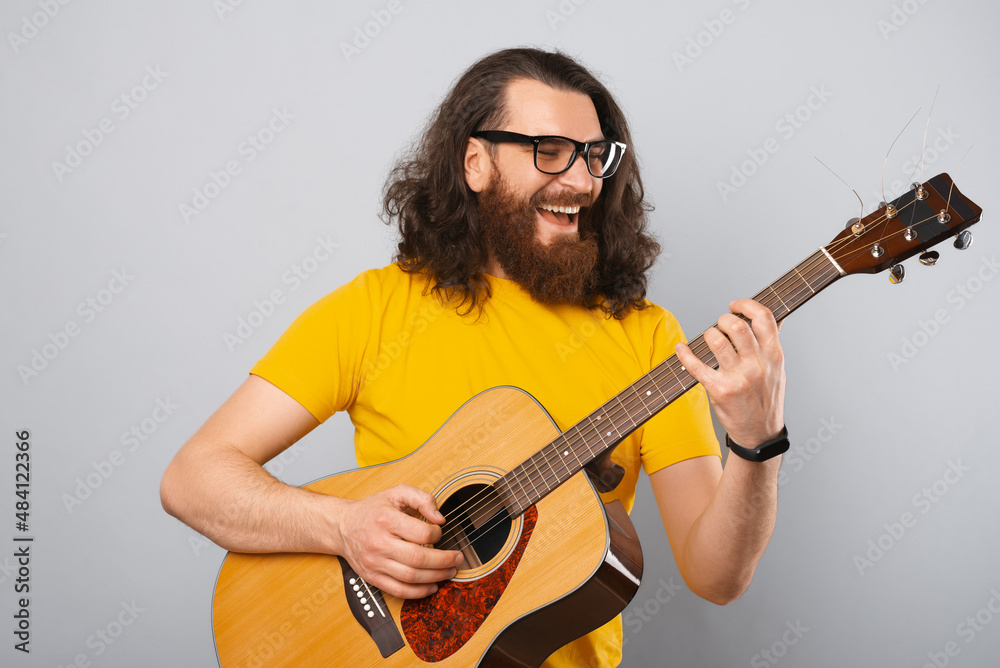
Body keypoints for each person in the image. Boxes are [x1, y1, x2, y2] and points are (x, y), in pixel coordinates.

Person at [160, 47, 786, 667]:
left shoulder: (649, 340)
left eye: (596, 155)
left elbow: (715, 577)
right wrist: (342, 528)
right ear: (476, 162)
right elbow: (194, 479)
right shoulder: (375, 309)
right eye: (548, 151)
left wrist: (758, 444)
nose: (580, 180)